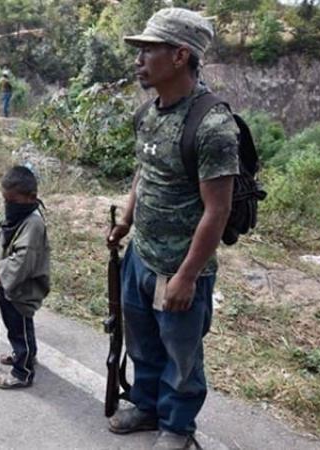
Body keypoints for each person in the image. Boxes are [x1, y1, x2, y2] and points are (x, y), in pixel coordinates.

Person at [106, 8, 238, 450]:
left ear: (180, 55)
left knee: (182, 357)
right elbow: (145, 173)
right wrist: (126, 221)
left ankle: (177, 425)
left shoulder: (213, 125)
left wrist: (185, 276)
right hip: (140, 257)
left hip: (179, 268)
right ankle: (145, 405)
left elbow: (216, 210)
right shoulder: (149, 113)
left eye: (148, 50)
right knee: (142, 341)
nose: (138, 60)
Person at [0, 166, 50, 389]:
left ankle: (22, 372)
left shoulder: (33, 223)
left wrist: (0, 276)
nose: (8, 205)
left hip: (21, 288)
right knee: (20, 325)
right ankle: (26, 354)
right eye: (5, 200)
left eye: (12, 200)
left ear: (30, 198)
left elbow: (23, 259)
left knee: (18, 327)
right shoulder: (18, 217)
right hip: (12, 286)